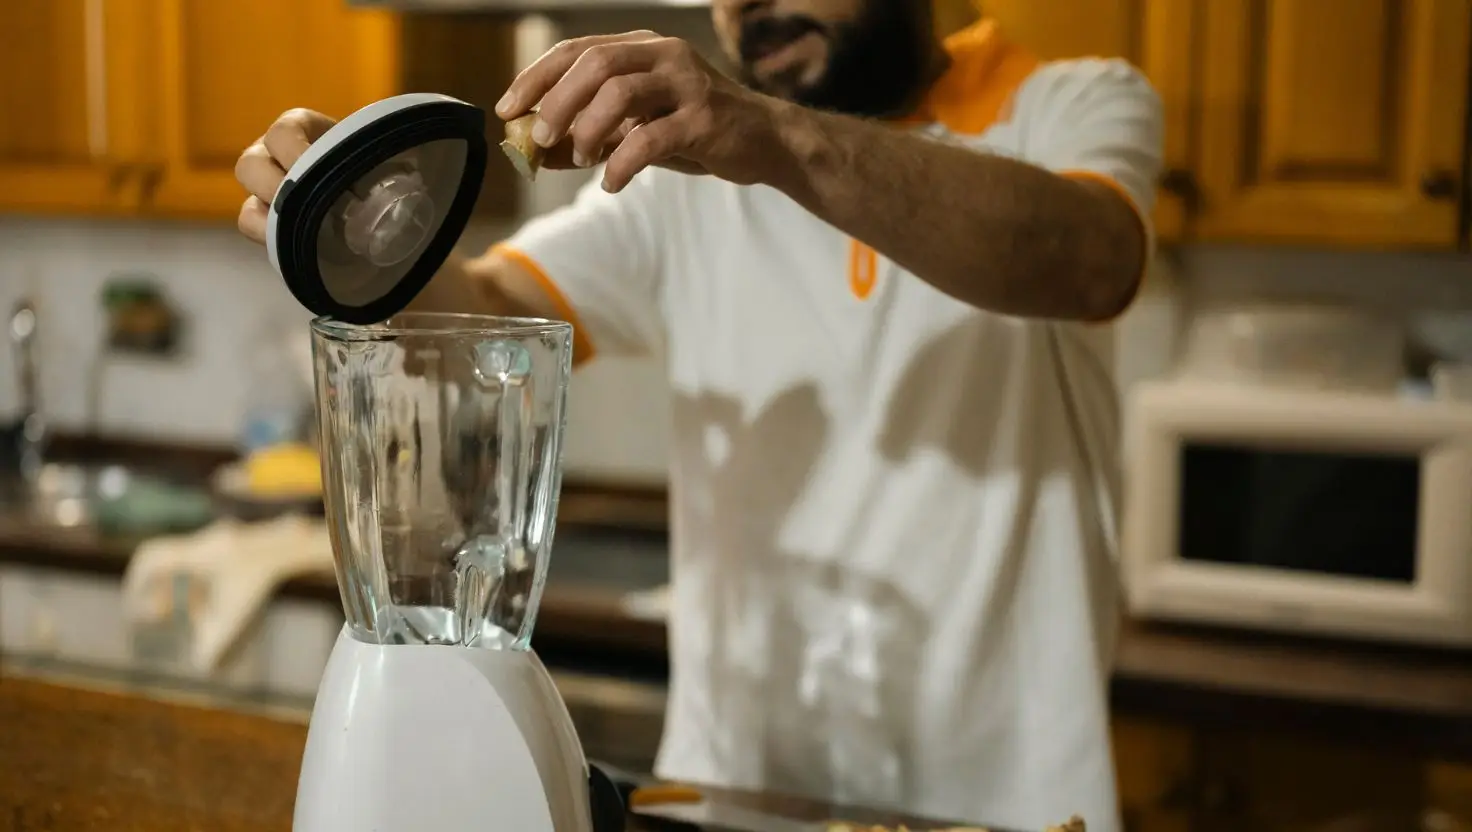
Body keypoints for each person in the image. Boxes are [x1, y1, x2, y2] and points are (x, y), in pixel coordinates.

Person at [235, 0, 1163, 827]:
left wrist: (778, 141)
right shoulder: (684, 189)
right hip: (732, 800)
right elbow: (475, 322)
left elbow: (1090, 260)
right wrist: (346, 216)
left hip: (1007, 800)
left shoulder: (1072, 102)